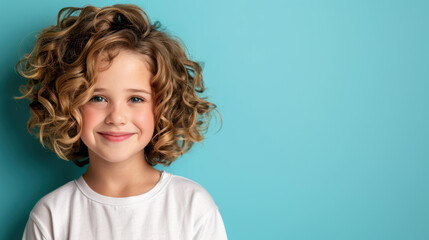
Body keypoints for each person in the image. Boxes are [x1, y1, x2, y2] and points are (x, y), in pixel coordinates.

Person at [16, 4, 227, 240]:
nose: (116, 117)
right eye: (98, 98)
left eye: (136, 99)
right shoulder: (51, 215)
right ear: (69, 104)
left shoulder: (193, 206)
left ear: (162, 106)